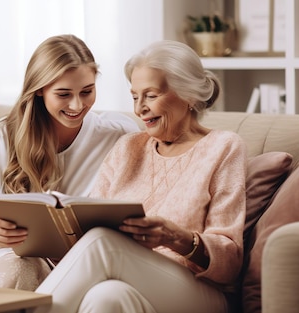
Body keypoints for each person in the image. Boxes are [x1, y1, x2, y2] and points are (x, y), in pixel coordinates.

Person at [31, 40, 247, 313]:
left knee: (102, 242)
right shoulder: (127, 147)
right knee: (106, 296)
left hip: (200, 292)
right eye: (135, 97)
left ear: (189, 95)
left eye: (151, 95)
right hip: (133, 281)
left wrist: (174, 237)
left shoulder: (224, 147)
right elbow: (86, 227)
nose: (139, 109)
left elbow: (230, 262)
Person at [0, 34, 139, 291]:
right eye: (63, 94)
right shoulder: (3, 134)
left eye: (87, 91)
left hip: (47, 257)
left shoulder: (115, 134)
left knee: (13, 269)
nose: (78, 105)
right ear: (40, 90)